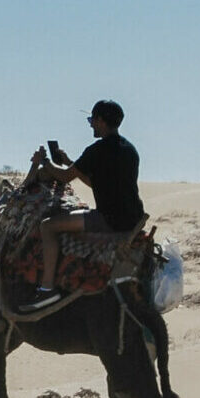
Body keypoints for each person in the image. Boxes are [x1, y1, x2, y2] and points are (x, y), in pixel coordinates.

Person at [19, 100, 144, 311]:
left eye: (92, 120)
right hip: (133, 218)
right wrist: (69, 162)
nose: (91, 125)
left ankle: (47, 288)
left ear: (101, 121)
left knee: (47, 226)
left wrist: (44, 162)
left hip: (109, 220)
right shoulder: (130, 150)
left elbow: (66, 178)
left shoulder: (96, 149)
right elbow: (95, 182)